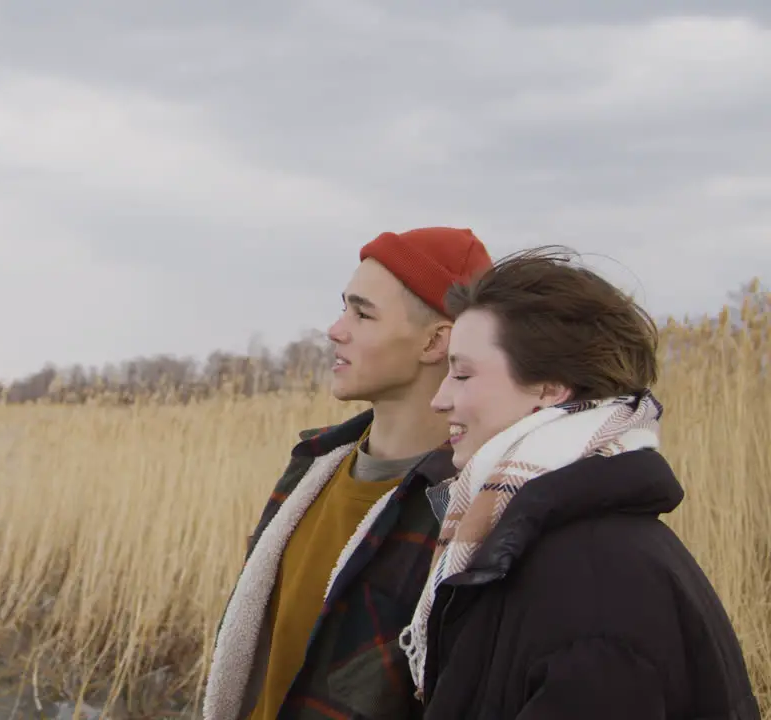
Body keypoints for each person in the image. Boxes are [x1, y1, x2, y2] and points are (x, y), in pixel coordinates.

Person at [399, 247, 760, 719]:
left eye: (463, 373)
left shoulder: (594, 583)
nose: (440, 400)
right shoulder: (530, 543)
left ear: (550, 388)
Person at [202, 227, 494, 720]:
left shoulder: (468, 510)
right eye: (344, 309)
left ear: (435, 341)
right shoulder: (312, 468)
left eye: (362, 313)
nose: (336, 330)